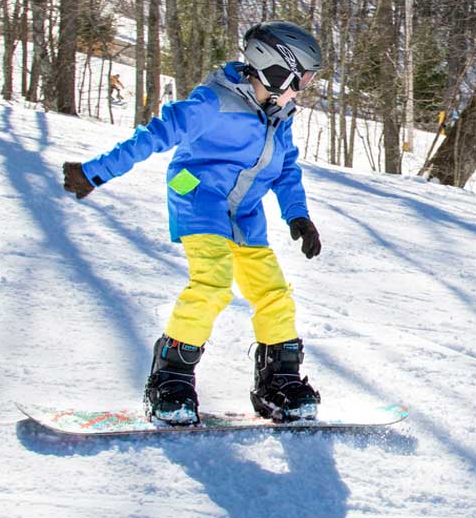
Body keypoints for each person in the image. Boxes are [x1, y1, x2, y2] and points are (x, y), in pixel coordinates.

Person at [62, 21, 325, 426]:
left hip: (245, 213)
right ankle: (171, 377)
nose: (302, 89)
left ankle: (280, 378)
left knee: (273, 291)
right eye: (302, 78)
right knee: (214, 280)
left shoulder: (280, 115)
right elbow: (152, 137)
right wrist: (94, 172)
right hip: (198, 196)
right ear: (276, 69)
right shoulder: (211, 104)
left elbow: (286, 168)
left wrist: (298, 215)